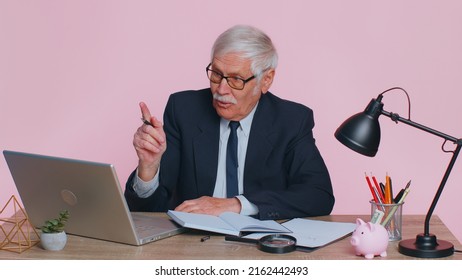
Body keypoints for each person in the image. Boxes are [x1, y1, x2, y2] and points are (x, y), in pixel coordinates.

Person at [124, 25, 334, 220]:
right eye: (216, 74)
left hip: (261, 246)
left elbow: (318, 195)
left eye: (236, 79)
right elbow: (148, 213)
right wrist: (149, 169)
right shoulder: (184, 109)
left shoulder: (291, 120)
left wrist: (236, 205)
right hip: (194, 246)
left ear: (266, 80)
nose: (221, 90)